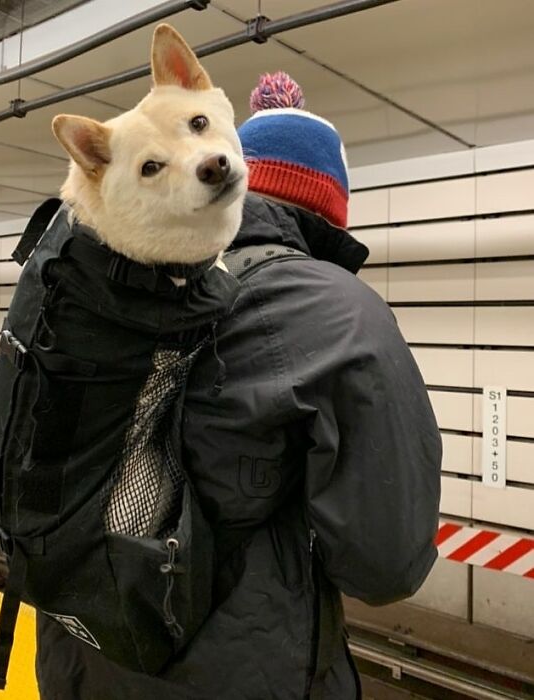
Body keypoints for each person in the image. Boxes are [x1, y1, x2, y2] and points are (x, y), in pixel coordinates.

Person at [35, 73, 442, 700]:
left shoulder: (114, 286)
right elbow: (384, 563)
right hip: (242, 670)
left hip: (81, 658)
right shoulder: (340, 313)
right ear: (333, 203)